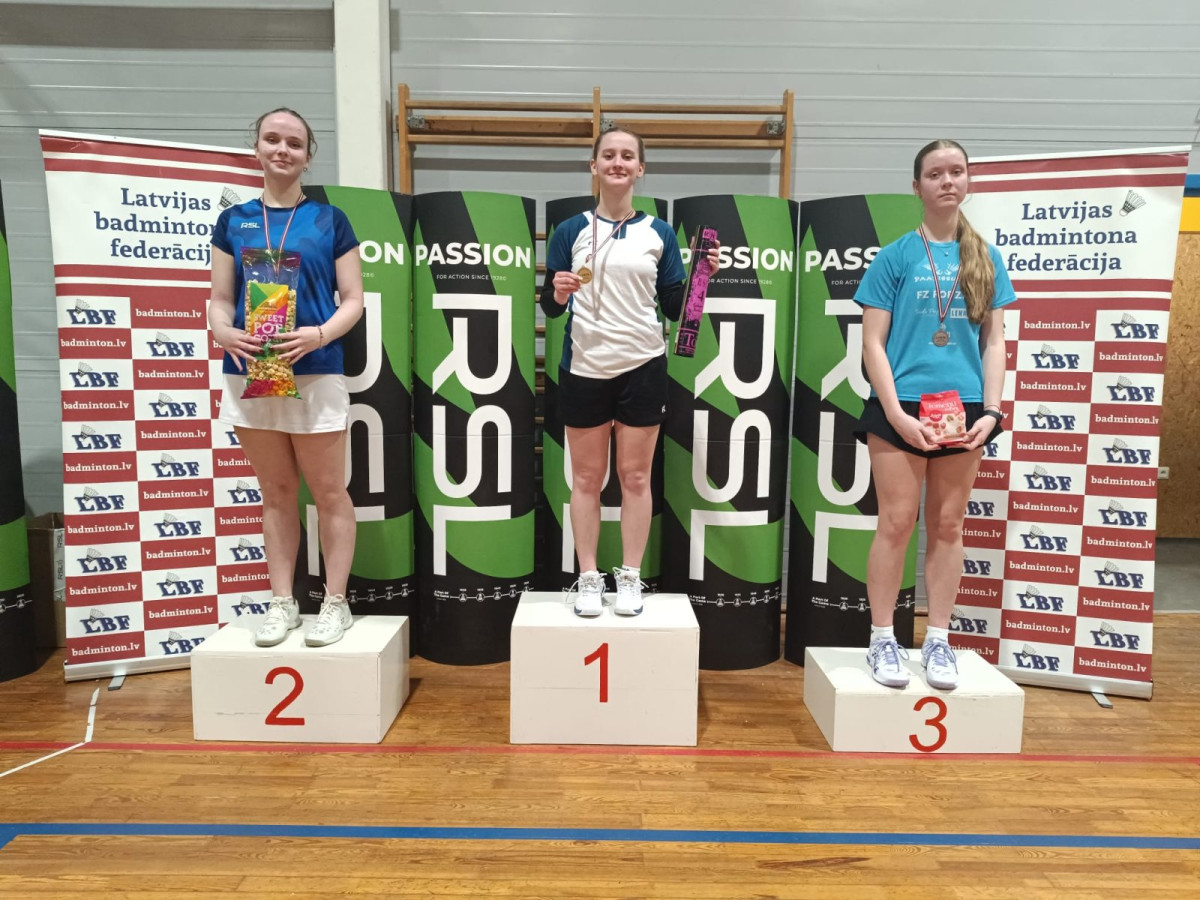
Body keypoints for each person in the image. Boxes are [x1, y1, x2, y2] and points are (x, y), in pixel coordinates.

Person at [854, 139, 1016, 690]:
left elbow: (994, 341)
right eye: (935, 173)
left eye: (957, 171)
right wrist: (895, 414)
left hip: (963, 410)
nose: (948, 181)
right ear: (917, 186)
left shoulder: (985, 257)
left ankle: (939, 640)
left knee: (948, 525)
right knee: (896, 523)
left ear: (968, 180)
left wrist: (991, 411)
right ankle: (882, 639)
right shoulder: (895, 256)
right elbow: (872, 343)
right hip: (900, 406)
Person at [541, 127, 720, 618]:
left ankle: (631, 577)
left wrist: (703, 278)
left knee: (636, 477)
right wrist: (557, 292)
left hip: (643, 367)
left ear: (640, 169)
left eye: (627, 156)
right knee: (586, 478)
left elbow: (676, 307)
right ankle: (588, 576)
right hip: (584, 368)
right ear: (594, 166)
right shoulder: (569, 231)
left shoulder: (659, 233)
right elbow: (551, 308)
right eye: (608, 155)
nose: (617, 163)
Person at [208, 108, 364, 648]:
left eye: (294, 143)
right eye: (272, 139)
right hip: (250, 371)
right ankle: (282, 603)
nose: (282, 149)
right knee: (275, 492)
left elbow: (354, 300)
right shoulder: (233, 221)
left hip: (316, 372)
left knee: (329, 492)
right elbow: (219, 300)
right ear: (256, 148)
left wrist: (318, 335)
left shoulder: (330, 220)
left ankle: (336, 603)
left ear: (308, 156)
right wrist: (222, 332)